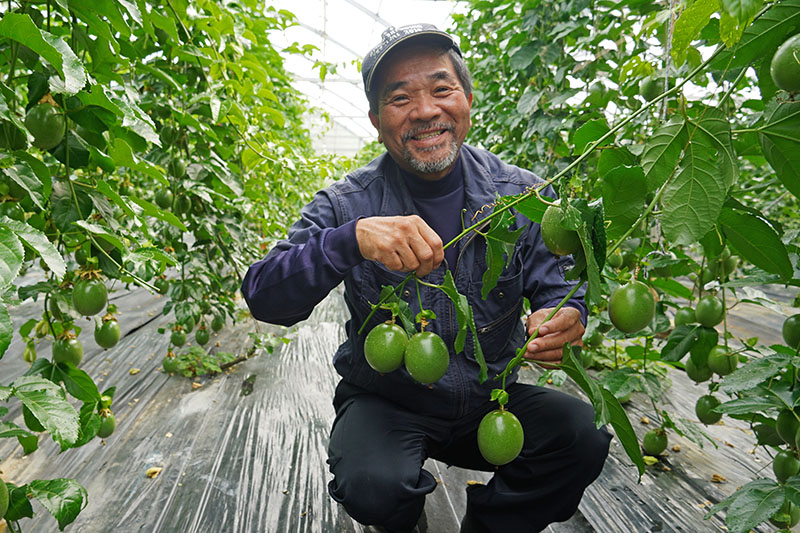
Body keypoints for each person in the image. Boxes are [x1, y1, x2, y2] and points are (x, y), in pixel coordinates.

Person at [241, 24, 611, 533]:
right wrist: (349, 240)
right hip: (389, 401)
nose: (424, 111)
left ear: (467, 100)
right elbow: (263, 295)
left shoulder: (523, 196)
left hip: (488, 398)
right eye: (399, 98)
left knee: (583, 433)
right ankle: (401, 518)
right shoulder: (348, 204)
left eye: (441, 89)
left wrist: (567, 313)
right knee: (373, 485)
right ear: (375, 121)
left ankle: (491, 525)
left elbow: (558, 283)